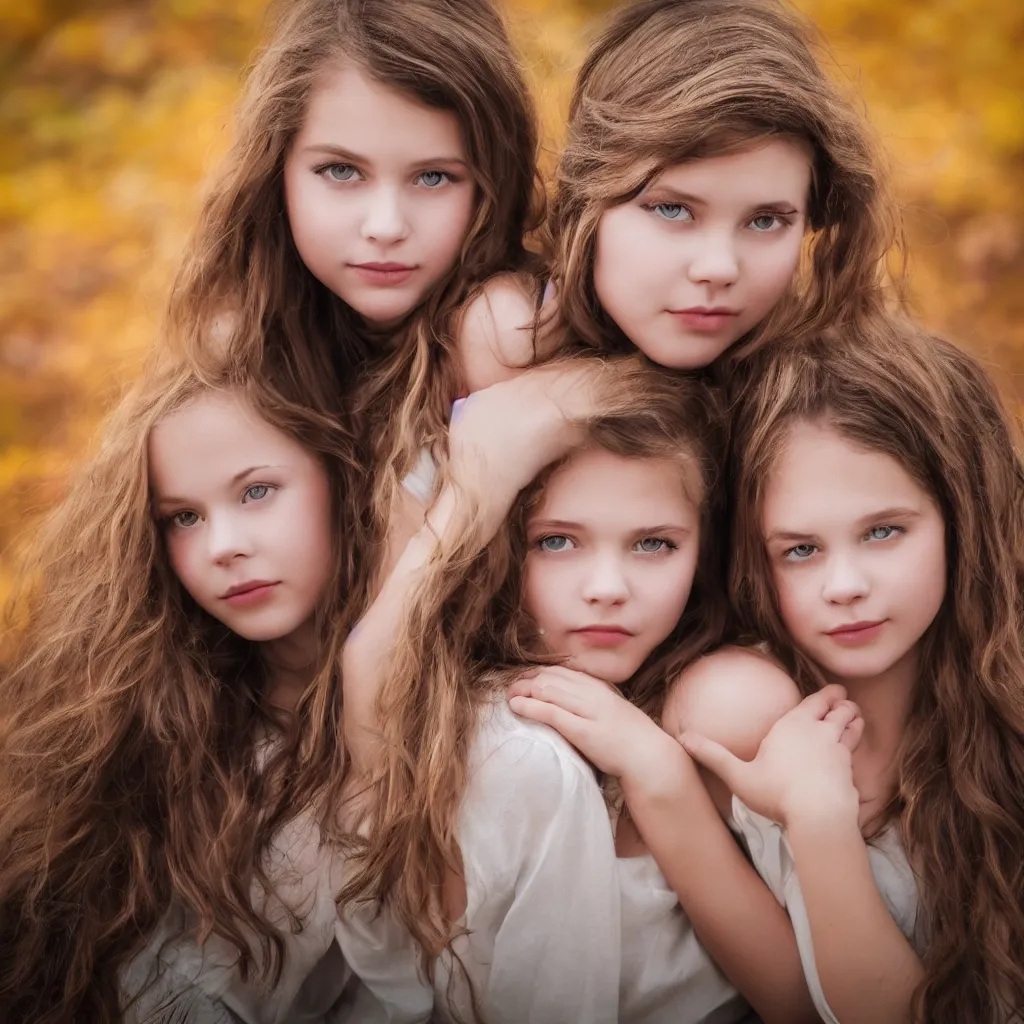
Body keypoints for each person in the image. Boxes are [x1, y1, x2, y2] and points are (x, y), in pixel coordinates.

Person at [338, 368, 819, 1023]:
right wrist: (480, 477)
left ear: (703, 551)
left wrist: (659, 774)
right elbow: (372, 666)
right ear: (498, 548)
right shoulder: (480, 736)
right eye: (556, 541)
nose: (606, 587)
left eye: (654, 544)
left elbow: (803, 1004)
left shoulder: (723, 706)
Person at [0, 366, 362, 1023]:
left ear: (341, 481)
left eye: (256, 492)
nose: (223, 547)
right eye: (183, 517)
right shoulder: (131, 718)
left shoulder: (444, 724)